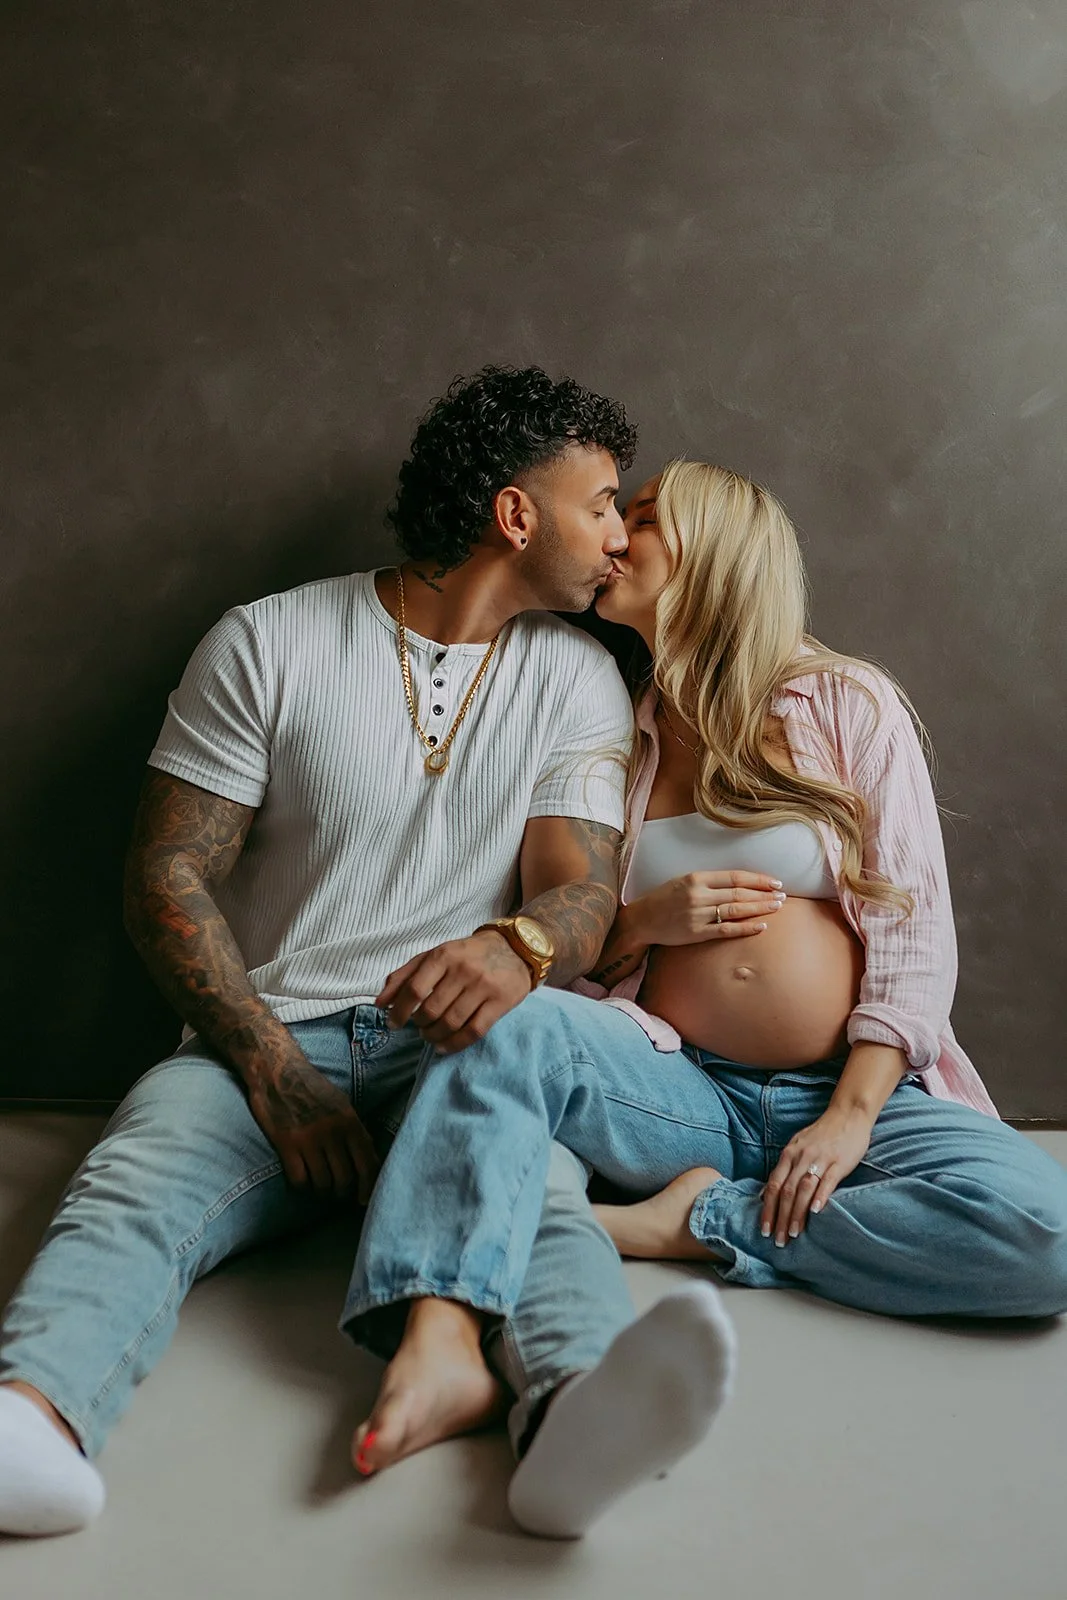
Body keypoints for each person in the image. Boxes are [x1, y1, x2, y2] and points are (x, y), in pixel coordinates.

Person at [0, 373, 738, 1543]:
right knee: (137, 1176)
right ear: (513, 514)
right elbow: (167, 877)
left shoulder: (575, 672)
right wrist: (267, 1066)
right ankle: (31, 1422)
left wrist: (522, 943)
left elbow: (580, 883)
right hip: (266, 1032)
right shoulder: (268, 639)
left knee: (538, 1198)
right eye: (600, 503)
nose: (618, 535)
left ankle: (570, 1418)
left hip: (457, 1047)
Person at [343, 460, 1067, 1478]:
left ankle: (692, 1223)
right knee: (502, 1021)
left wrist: (849, 1113)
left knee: (1042, 1236)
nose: (610, 537)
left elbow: (913, 931)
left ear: (714, 553)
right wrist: (644, 922)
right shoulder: (620, 728)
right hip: (680, 1089)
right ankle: (435, 1336)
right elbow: (582, 933)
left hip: (853, 1090)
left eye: (639, 518)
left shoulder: (839, 702)